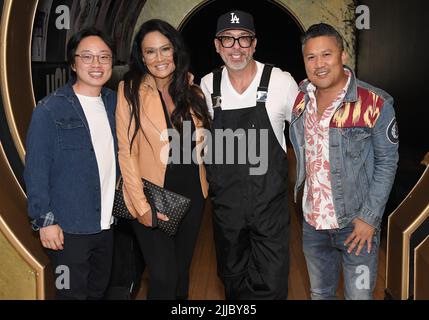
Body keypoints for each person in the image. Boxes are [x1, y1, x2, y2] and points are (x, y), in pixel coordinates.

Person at [289, 23, 399, 300]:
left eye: (327, 54)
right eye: (310, 57)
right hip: (313, 223)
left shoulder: (374, 103)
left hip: (356, 224)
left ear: (343, 56)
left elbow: (387, 163)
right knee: (320, 294)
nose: (319, 64)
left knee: (359, 296)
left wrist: (369, 219)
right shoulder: (302, 99)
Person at [200, 10, 299, 299]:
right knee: (232, 280)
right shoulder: (207, 86)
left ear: (254, 44)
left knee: (272, 281)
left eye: (244, 39)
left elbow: (310, 135)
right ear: (217, 45)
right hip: (227, 209)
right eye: (228, 40)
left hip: (270, 208)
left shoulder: (281, 82)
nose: (236, 48)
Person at [116, 19, 211, 300]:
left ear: (175, 51)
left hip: (193, 194)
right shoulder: (130, 90)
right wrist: (140, 206)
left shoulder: (192, 92)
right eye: (150, 51)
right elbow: (126, 151)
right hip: (152, 194)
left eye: (165, 49)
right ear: (141, 57)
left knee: (181, 274)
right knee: (163, 276)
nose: (159, 58)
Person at [24, 28, 118, 299]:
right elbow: (36, 169)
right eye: (87, 57)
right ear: (74, 64)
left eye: (104, 57)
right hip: (67, 229)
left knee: (98, 292)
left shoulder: (115, 103)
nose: (96, 64)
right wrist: (44, 220)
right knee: (69, 295)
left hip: (106, 225)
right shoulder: (49, 110)